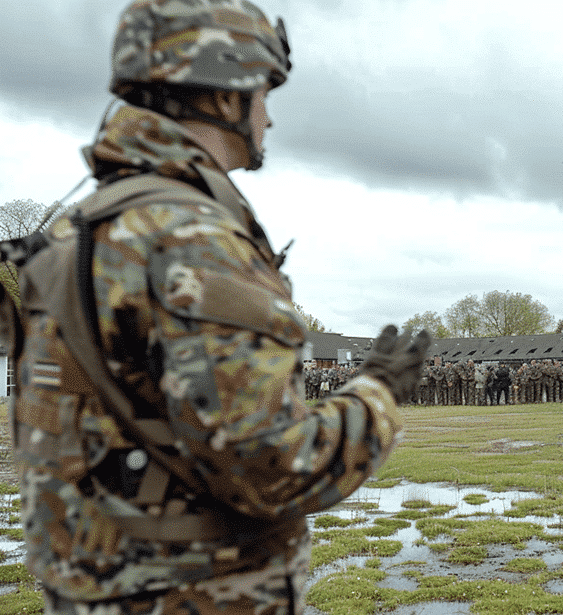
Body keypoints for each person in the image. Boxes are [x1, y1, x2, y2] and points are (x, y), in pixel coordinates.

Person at [10, 2, 429, 615]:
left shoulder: (84, 231)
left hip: (96, 587)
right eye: (262, 93)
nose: (268, 117)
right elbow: (272, 467)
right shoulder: (190, 239)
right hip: (190, 594)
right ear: (223, 94)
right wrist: (378, 395)